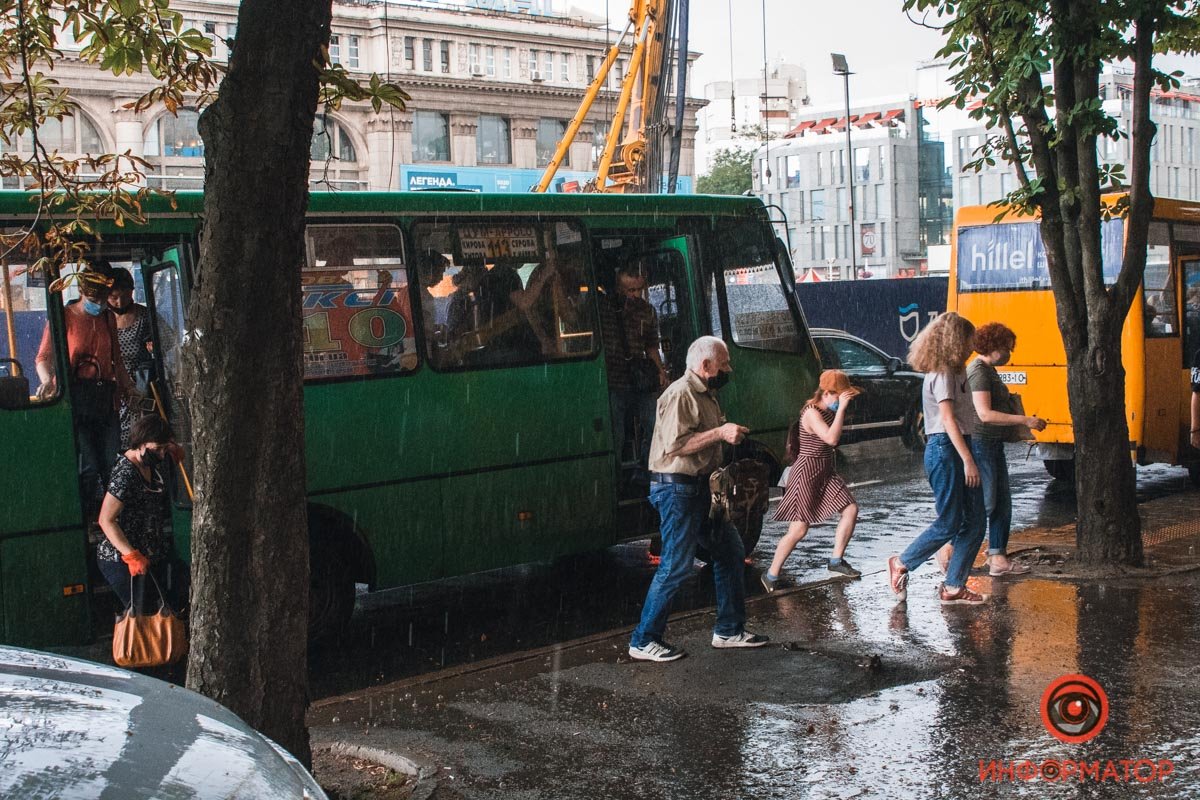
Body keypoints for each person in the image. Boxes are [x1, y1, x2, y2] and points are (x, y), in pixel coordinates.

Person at [628, 336, 769, 662]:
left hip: (697, 487)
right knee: (676, 565)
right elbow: (675, 446)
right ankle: (643, 639)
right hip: (677, 489)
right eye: (724, 364)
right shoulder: (681, 394)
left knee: (731, 551)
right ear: (705, 366)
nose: (728, 370)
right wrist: (720, 433)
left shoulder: (704, 393)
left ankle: (729, 630)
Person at [887, 311, 988, 606]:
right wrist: (968, 459)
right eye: (969, 339)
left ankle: (954, 586)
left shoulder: (956, 370)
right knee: (951, 521)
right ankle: (902, 561)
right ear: (956, 340)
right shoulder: (943, 372)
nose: (973, 345)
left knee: (975, 521)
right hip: (946, 448)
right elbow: (947, 420)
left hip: (957, 445)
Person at [35, 260, 137, 520]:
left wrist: (130, 388)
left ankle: (114, 519)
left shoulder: (106, 317)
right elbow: (43, 358)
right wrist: (48, 380)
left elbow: (117, 359)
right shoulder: (64, 317)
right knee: (89, 464)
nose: (100, 301)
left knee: (112, 464)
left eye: (103, 296)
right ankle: (87, 518)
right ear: (81, 291)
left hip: (106, 398)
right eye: (94, 296)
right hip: (75, 399)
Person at [762, 369, 862, 592]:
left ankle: (836, 561)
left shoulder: (828, 411)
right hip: (806, 473)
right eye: (840, 397)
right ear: (827, 393)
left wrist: (840, 410)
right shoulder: (811, 413)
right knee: (798, 529)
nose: (843, 402)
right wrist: (842, 410)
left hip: (825, 470)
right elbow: (832, 439)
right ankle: (771, 574)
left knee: (851, 509)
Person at [962, 322, 1047, 576]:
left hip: (992, 444)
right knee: (986, 503)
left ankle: (997, 557)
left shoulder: (989, 370)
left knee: (1001, 503)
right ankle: (951, 548)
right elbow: (984, 414)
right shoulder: (978, 371)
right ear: (994, 347)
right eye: (1007, 348)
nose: (1010, 354)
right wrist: (1025, 420)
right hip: (981, 443)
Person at [96, 414, 186, 613]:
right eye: (157, 449)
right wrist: (131, 555)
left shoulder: (151, 462)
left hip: (151, 552)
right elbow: (106, 519)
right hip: (121, 559)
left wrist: (170, 448)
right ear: (141, 443)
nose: (162, 455)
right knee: (142, 615)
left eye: (165, 448)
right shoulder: (125, 473)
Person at [108, 267, 156, 448]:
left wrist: (153, 346)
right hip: (113, 384)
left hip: (140, 384)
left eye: (125, 296)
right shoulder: (102, 318)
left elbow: (166, 341)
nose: (120, 302)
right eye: (114, 297)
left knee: (140, 435)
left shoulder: (144, 316)